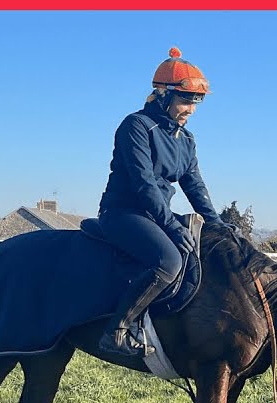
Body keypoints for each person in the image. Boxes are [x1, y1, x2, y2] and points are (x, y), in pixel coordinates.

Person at [96, 47, 228, 358]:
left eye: (197, 102)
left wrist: (219, 225)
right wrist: (169, 223)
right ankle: (117, 330)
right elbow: (144, 184)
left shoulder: (187, 139)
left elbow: (194, 185)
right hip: (124, 212)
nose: (191, 110)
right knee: (169, 260)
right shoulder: (136, 126)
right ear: (163, 93)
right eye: (185, 100)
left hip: (156, 216)